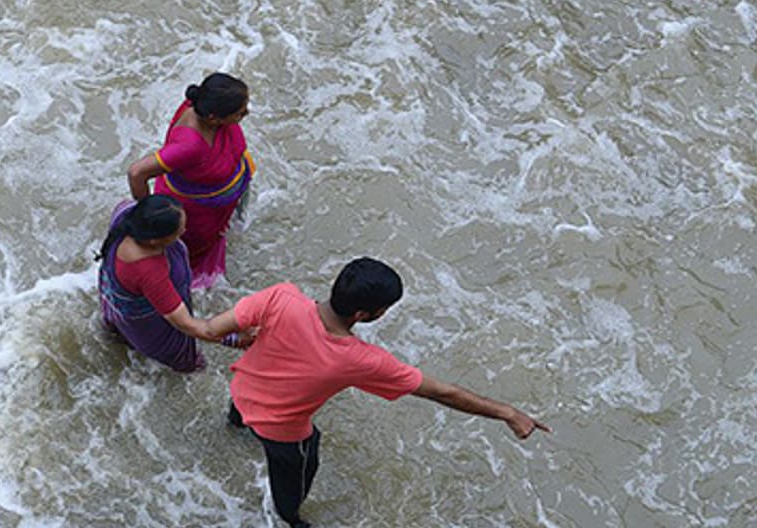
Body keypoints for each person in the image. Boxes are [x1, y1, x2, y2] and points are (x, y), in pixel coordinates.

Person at [196, 257, 551, 527]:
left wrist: (234, 339)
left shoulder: (281, 297)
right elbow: (442, 393)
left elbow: (213, 329)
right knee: (297, 478)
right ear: (365, 314)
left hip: (242, 390)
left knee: (241, 415)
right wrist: (508, 412)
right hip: (283, 433)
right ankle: (290, 520)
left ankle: (235, 428)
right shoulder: (359, 360)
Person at [127, 73, 253, 290]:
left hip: (222, 197)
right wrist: (148, 215)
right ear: (213, 118)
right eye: (240, 114)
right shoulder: (189, 146)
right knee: (192, 260)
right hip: (198, 216)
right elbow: (137, 172)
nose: (246, 114)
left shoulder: (203, 103)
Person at [96, 195, 245, 372]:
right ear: (155, 240)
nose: (184, 231)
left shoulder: (128, 213)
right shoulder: (150, 272)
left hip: (117, 301)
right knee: (189, 364)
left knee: (118, 335)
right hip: (148, 323)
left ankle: (117, 338)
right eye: (178, 231)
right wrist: (235, 339)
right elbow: (188, 325)